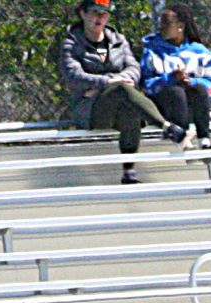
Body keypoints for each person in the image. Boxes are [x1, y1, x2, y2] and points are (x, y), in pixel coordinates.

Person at [58, 0, 167, 184]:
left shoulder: (118, 40)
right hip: (91, 110)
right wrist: (109, 82)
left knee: (128, 106)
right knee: (121, 89)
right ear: (83, 14)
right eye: (94, 12)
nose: (99, 18)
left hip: (117, 101)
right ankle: (167, 127)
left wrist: (105, 85)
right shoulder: (71, 43)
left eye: (104, 13)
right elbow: (74, 77)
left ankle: (129, 171)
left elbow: (133, 68)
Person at [139, 3, 211, 153]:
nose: (161, 27)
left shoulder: (200, 52)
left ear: (180, 26)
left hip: (191, 109)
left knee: (199, 89)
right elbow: (145, 85)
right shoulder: (152, 50)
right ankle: (183, 140)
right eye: (160, 23)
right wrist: (170, 78)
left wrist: (192, 81)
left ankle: (205, 140)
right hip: (163, 109)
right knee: (175, 91)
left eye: (166, 23)